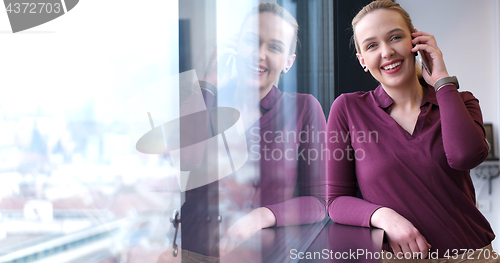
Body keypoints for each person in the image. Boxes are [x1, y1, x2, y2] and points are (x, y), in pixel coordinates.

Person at [326, 0, 497, 261]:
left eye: (395, 37)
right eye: (372, 45)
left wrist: (442, 79)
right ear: (362, 59)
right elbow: (336, 201)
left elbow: (466, 156)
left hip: (472, 255)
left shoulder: (460, 101)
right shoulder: (348, 110)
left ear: (415, 41)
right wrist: (384, 216)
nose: (386, 52)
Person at [169, 3, 327, 261]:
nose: (259, 54)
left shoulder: (303, 108)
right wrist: (209, 82)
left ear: (289, 63)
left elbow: (320, 203)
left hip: (264, 255)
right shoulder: (206, 101)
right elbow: (184, 158)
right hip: (194, 254)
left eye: (274, 47)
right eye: (251, 41)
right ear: (236, 45)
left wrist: (259, 217)